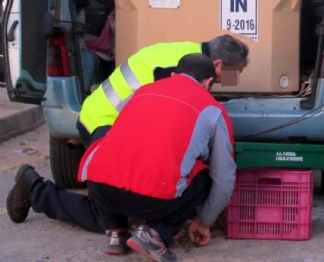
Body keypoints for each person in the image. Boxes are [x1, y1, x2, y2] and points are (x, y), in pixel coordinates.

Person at [7, 54, 237, 261]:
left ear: (174, 74)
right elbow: (224, 180)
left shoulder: (142, 92)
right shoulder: (212, 108)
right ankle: (155, 234)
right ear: (208, 83)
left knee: (109, 188)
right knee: (205, 174)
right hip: (154, 199)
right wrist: (204, 221)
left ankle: (111, 226)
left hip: (101, 186)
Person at [78, 34, 249, 146]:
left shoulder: (189, 50)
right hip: (104, 125)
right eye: (233, 73)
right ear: (218, 64)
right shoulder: (188, 70)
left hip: (96, 113)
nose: (233, 80)